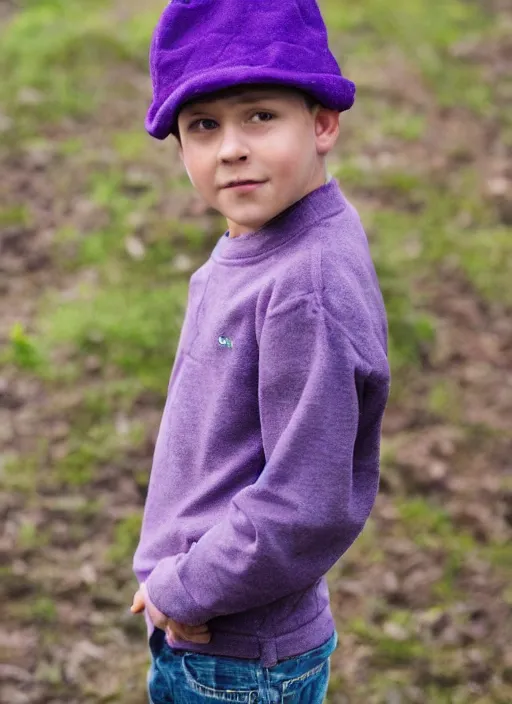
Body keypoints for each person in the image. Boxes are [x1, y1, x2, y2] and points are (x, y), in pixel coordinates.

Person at [131, 0, 391, 701]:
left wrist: (183, 587)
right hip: (220, 628)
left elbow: (304, 504)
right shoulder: (266, 238)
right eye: (203, 126)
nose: (231, 148)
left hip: (237, 658)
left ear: (323, 122)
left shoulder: (304, 287)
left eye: (259, 116)